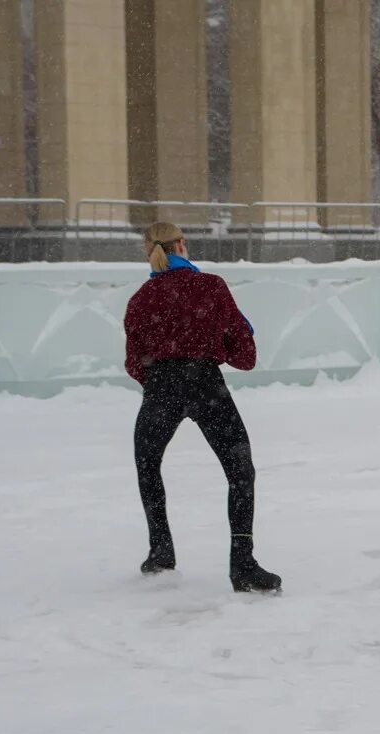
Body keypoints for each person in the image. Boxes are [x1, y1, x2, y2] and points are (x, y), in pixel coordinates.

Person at [123, 222, 281, 593]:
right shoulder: (211, 287)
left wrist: (163, 377)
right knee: (240, 469)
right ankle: (243, 562)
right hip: (206, 384)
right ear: (181, 244)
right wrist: (215, 349)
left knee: (148, 464)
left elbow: (134, 362)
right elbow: (245, 355)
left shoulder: (140, 299)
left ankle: (161, 550)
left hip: (161, 387)